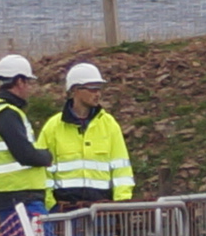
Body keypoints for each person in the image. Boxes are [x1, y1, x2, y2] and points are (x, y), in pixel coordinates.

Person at [36, 60, 135, 214]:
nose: (98, 94)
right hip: (65, 213)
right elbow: (42, 173)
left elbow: (122, 171)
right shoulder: (53, 127)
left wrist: (120, 205)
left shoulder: (109, 125)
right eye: (92, 89)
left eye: (99, 89)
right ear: (75, 90)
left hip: (103, 212)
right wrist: (51, 206)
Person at [0, 55, 54, 218]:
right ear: (19, 81)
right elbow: (25, 154)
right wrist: (46, 156)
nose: (30, 88)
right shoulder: (7, 114)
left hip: (11, 196)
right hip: (21, 197)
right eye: (28, 82)